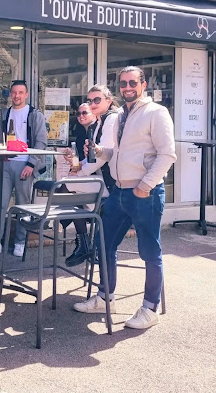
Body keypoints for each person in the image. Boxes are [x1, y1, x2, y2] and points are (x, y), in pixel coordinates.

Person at [73, 66, 176, 330]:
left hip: (145, 193)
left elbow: (167, 154)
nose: (127, 87)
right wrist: (99, 150)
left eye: (132, 82)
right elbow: (114, 151)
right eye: (123, 83)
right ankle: (106, 297)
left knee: (149, 251)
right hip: (119, 192)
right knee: (103, 243)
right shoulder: (120, 115)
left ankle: (150, 308)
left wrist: (145, 185)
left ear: (143, 84)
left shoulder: (157, 113)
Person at [0, 80, 47, 257]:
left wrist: (31, 163)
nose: (17, 96)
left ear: (26, 94)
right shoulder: (6, 113)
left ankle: (20, 242)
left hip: (25, 164)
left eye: (20, 92)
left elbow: (41, 142)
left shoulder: (34, 114)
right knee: (0, 204)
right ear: (10, 94)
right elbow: (1, 138)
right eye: (14, 92)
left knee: (23, 206)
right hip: (6, 163)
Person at [64, 86, 119, 266]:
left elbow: (101, 158)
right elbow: (92, 158)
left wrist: (79, 169)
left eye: (97, 100)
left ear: (108, 101)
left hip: (114, 185)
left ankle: (84, 241)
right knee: (70, 189)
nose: (93, 104)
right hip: (105, 181)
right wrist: (79, 166)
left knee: (66, 186)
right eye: (91, 100)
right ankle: (85, 242)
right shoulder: (98, 123)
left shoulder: (111, 120)